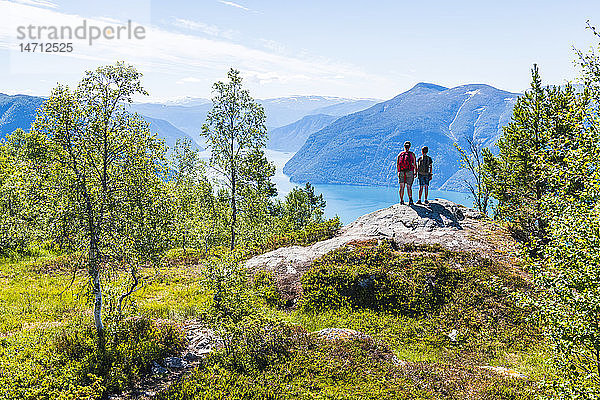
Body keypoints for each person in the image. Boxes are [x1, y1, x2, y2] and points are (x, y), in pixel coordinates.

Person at [396, 141, 417, 205]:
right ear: (410, 146)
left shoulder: (400, 154)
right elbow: (414, 164)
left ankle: (401, 200)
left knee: (401, 187)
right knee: (409, 186)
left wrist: (398, 172)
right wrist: (415, 172)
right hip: (409, 172)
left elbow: (397, 164)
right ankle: (410, 200)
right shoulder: (412, 154)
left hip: (401, 172)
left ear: (404, 146)